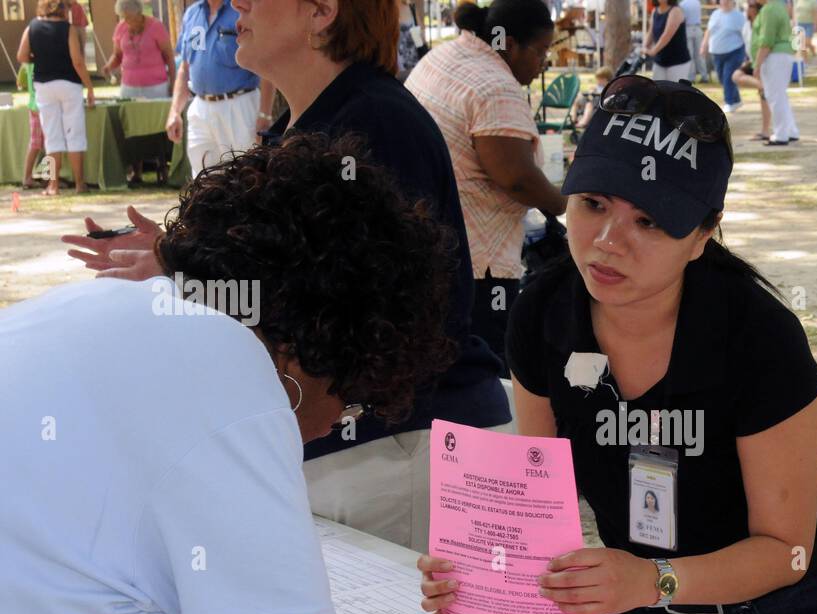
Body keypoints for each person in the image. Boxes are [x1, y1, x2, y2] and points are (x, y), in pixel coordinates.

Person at [0, 133, 458, 614]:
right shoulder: (232, 375)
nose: (323, 428)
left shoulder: (78, 322)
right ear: (313, 358)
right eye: (345, 402)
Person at [419, 78, 817, 614]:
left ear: (703, 235)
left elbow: (787, 550)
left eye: (649, 220)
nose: (609, 241)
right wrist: (480, 575)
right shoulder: (545, 313)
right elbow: (535, 503)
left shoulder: (758, 335)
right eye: (591, 204)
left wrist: (650, 580)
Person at [64, 0, 512, 552]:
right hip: (347, 446)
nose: (238, 6)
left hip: (395, 447)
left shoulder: (373, 122)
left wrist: (187, 265)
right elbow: (294, 266)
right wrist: (179, 253)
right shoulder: (306, 123)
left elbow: (366, 309)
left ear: (322, 12)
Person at [406, 0, 567, 364]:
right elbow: (517, 179)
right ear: (510, 44)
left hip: (427, 242)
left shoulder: (446, 54)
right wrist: (565, 203)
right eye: (540, 51)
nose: (543, 62)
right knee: (485, 375)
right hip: (477, 264)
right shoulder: (496, 87)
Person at [167, 0, 277, 173]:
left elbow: (266, 62)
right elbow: (185, 68)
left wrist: (265, 113)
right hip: (200, 107)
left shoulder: (243, 9)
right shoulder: (191, 14)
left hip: (239, 104)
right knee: (202, 176)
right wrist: (174, 112)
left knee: (246, 173)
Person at [15, 0, 95, 195]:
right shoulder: (67, 29)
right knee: (74, 133)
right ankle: (79, 184)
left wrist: (39, 57)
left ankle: (53, 185)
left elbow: (21, 56)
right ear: (63, 9)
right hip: (69, 84)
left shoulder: (32, 27)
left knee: (52, 137)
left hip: (43, 85)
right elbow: (77, 61)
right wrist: (90, 87)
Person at [104, 0, 175, 100]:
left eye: (129, 17)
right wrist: (109, 66)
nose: (126, 21)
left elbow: (169, 57)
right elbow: (117, 55)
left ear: (138, 13)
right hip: (128, 86)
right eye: (124, 17)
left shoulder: (156, 26)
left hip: (156, 87)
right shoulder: (121, 27)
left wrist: (173, 84)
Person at [752, 0, 797, 146]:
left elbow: (766, 40)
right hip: (783, 54)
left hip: (775, 56)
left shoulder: (769, 9)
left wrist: (757, 65)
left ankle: (781, 134)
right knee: (780, 95)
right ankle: (790, 131)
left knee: (774, 96)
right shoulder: (780, 6)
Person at [732, 0, 771, 139]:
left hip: (763, 60)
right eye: (748, 5)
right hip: (752, 60)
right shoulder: (747, 24)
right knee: (736, 76)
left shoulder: (763, 21)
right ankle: (763, 87)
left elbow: (765, 43)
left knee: (763, 97)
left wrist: (759, 64)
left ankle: (765, 130)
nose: (748, 8)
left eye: (752, 6)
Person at [701, 0, 746, 113]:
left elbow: (745, 34)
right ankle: (737, 100)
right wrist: (704, 45)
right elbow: (708, 31)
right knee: (722, 78)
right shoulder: (715, 13)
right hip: (717, 53)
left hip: (734, 51)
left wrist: (747, 53)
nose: (725, 1)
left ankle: (729, 102)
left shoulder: (739, 16)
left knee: (728, 77)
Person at [644, 0, 691, 83]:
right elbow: (650, 32)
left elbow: (666, 36)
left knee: (675, 92)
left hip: (677, 62)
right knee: (657, 91)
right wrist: (644, 46)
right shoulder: (655, 11)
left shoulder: (676, 11)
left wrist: (653, 51)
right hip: (660, 60)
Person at [16, 62, 44, 190]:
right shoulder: (44, 60)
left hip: (33, 106)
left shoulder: (25, 65)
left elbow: (20, 83)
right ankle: (52, 178)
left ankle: (27, 177)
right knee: (48, 143)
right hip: (44, 106)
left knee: (35, 143)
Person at [679, 0, 707, 82]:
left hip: (688, 29)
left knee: (690, 55)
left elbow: (683, 18)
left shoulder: (682, 4)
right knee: (699, 55)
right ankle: (704, 76)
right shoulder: (697, 2)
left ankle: (691, 77)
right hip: (698, 28)